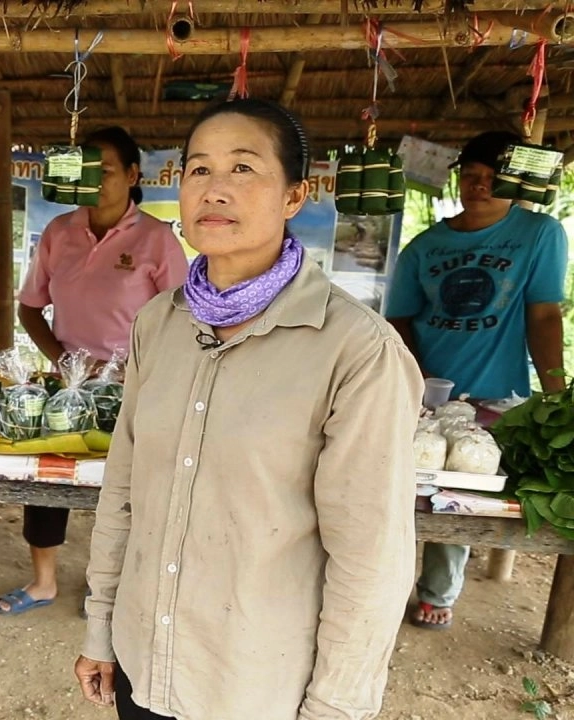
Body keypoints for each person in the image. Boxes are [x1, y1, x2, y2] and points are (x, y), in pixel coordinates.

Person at [74, 98, 421, 719]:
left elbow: (370, 557)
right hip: (142, 663)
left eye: (243, 168)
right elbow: (123, 490)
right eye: (198, 170)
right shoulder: (157, 324)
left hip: (256, 687)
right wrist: (101, 628)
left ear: (295, 195)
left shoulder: (356, 349)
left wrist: (335, 707)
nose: (215, 189)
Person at [0, 126, 188, 615]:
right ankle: (43, 582)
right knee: (49, 480)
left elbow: (184, 319)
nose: (94, 181)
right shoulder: (60, 233)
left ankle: (114, 588)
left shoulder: (157, 240)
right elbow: (30, 308)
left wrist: (131, 368)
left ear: (131, 174)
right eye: (85, 171)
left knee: (126, 485)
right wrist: (64, 362)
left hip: (134, 387)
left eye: (103, 171)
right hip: (67, 384)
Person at [387, 129, 568, 631]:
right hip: (424, 390)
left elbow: (544, 315)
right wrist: (416, 377)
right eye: (470, 176)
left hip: (497, 393)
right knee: (405, 485)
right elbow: (398, 319)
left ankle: (437, 590)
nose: (479, 186)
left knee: (467, 490)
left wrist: (557, 396)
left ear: (512, 183)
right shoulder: (426, 246)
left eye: (491, 178)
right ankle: (382, 583)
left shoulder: (538, 235)